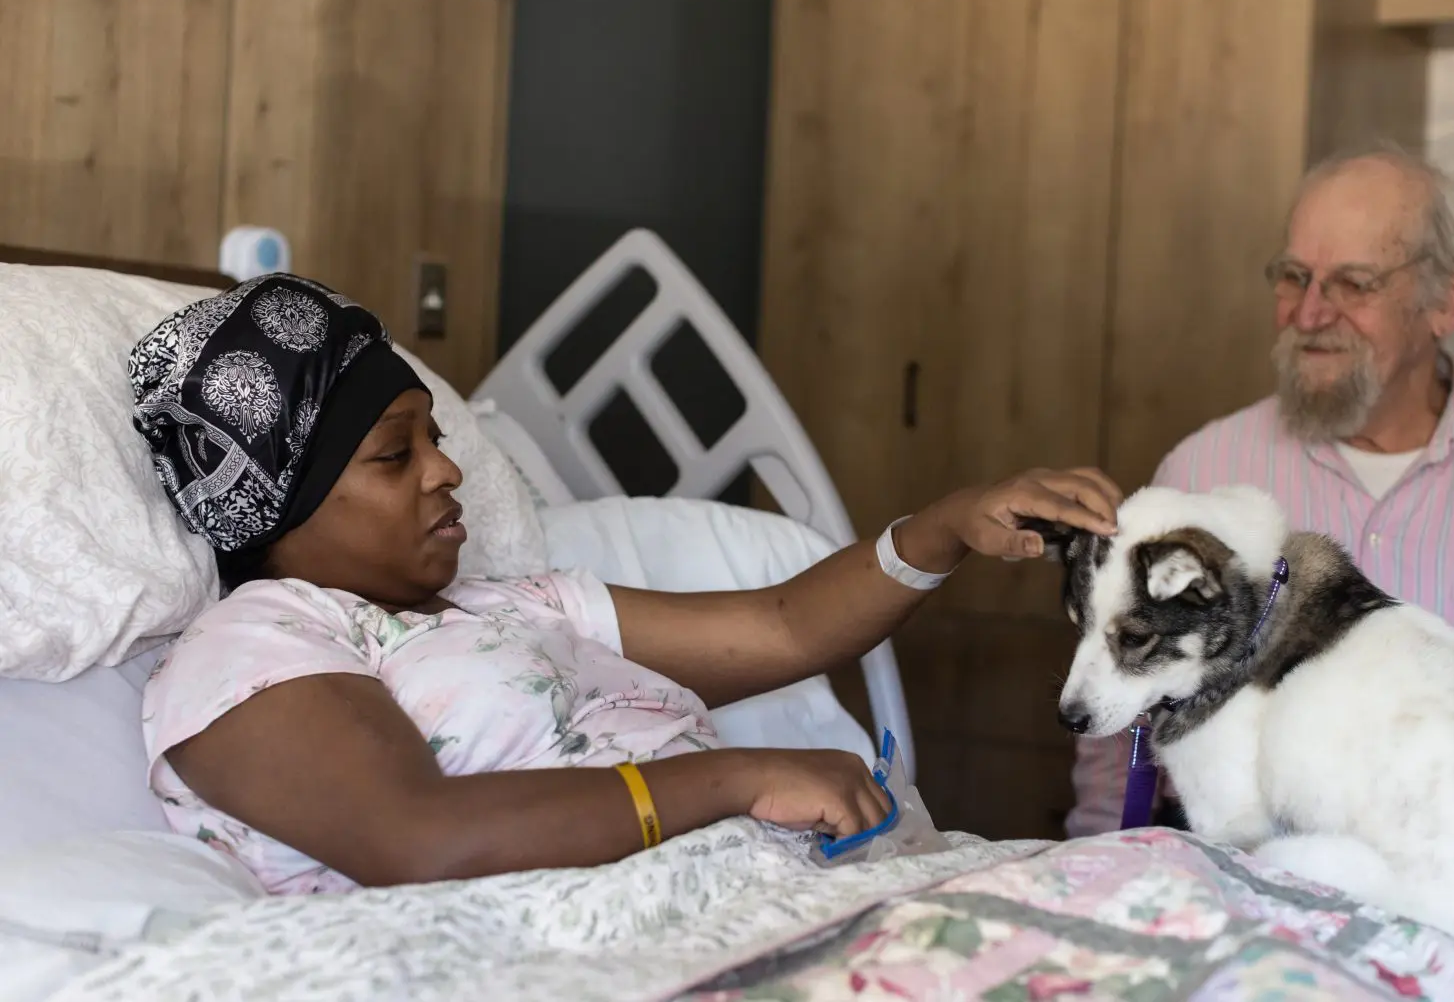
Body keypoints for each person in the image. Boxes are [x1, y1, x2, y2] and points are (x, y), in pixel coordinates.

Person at [129, 273, 1122, 896]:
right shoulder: (254, 644)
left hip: (776, 900)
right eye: (395, 456)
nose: (446, 469)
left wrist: (946, 527)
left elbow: (781, 628)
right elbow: (416, 841)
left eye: (434, 436)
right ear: (279, 504)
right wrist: (739, 778)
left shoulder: (513, 604)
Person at [1066, 144, 1454, 961]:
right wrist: (1097, 873)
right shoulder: (1202, 476)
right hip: (1252, 922)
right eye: (1292, 277)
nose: (1308, 312)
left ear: (1448, 300)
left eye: (1352, 284)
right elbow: (1122, 725)